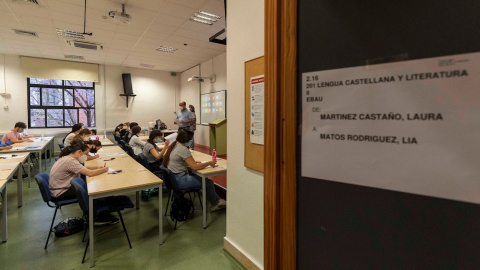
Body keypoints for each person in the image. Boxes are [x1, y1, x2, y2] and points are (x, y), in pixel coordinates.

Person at [49, 139, 117, 225]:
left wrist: (97, 167)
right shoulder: (70, 161)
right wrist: (105, 169)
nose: (85, 156)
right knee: (94, 189)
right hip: (61, 192)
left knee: (91, 185)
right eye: (85, 154)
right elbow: (90, 173)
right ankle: (96, 217)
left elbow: (83, 168)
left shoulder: (67, 158)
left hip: (59, 189)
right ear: (79, 152)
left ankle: (100, 212)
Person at [163, 129, 226, 211]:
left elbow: (183, 160)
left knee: (203, 178)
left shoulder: (174, 146)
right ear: (187, 140)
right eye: (191, 139)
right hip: (181, 181)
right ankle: (215, 203)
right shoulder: (183, 150)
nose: (192, 141)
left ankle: (216, 200)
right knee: (209, 183)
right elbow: (195, 167)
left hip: (174, 180)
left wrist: (194, 162)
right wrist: (209, 163)